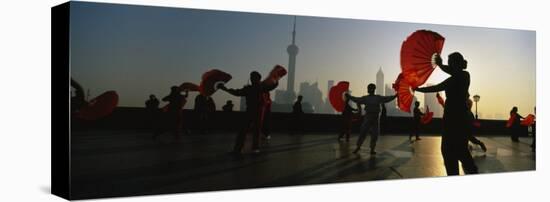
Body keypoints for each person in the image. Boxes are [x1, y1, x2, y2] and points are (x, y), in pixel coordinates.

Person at [415, 52, 478, 175]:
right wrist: (440, 65)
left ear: (456, 64)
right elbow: (451, 71)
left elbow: (436, 87)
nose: (449, 66)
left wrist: (418, 88)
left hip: (454, 119)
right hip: (455, 119)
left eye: (450, 63)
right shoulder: (464, 76)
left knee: (453, 151)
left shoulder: (461, 76)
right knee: (459, 151)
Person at [218, 71, 278, 154]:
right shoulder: (260, 88)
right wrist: (276, 79)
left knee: (246, 130)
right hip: (257, 111)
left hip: (253, 111)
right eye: (251, 77)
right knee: (253, 130)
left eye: (253, 77)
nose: (251, 79)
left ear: (257, 79)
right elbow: (272, 86)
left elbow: (237, 92)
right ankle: (253, 148)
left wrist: (225, 89)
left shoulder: (253, 88)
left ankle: (239, 149)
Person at [346, 83, 396, 155]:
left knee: (375, 134)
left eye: (370, 88)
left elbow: (387, 99)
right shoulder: (366, 98)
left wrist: (395, 96)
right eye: (369, 88)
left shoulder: (377, 98)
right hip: (368, 117)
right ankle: (358, 146)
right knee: (363, 132)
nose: (369, 90)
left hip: (375, 118)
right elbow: (357, 99)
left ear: (373, 89)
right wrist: (350, 97)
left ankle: (372, 149)